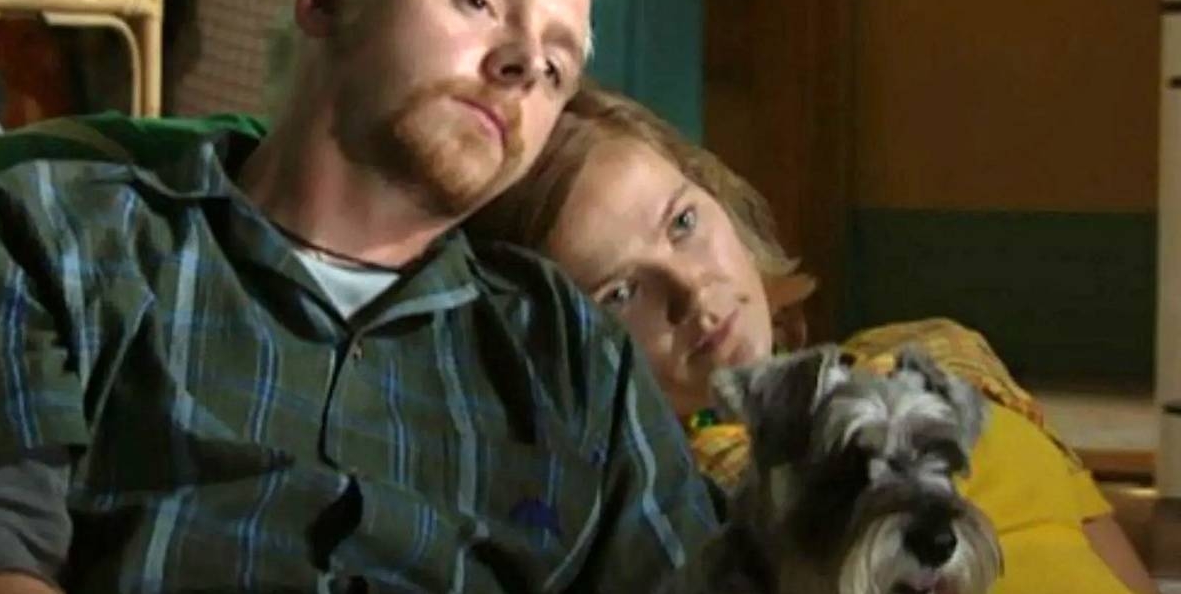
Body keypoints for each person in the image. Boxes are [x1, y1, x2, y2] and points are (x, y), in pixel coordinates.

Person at [0, 0, 718, 592]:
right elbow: (2, 550)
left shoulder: (573, 359)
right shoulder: (59, 233)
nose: (524, 64)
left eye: (556, 69)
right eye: (479, 1)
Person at [469, 83, 1160, 594]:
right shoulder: (666, 502)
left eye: (682, 224)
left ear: (718, 200)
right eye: (620, 293)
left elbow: (1111, 561)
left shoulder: (948, 353)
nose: (695, 293)